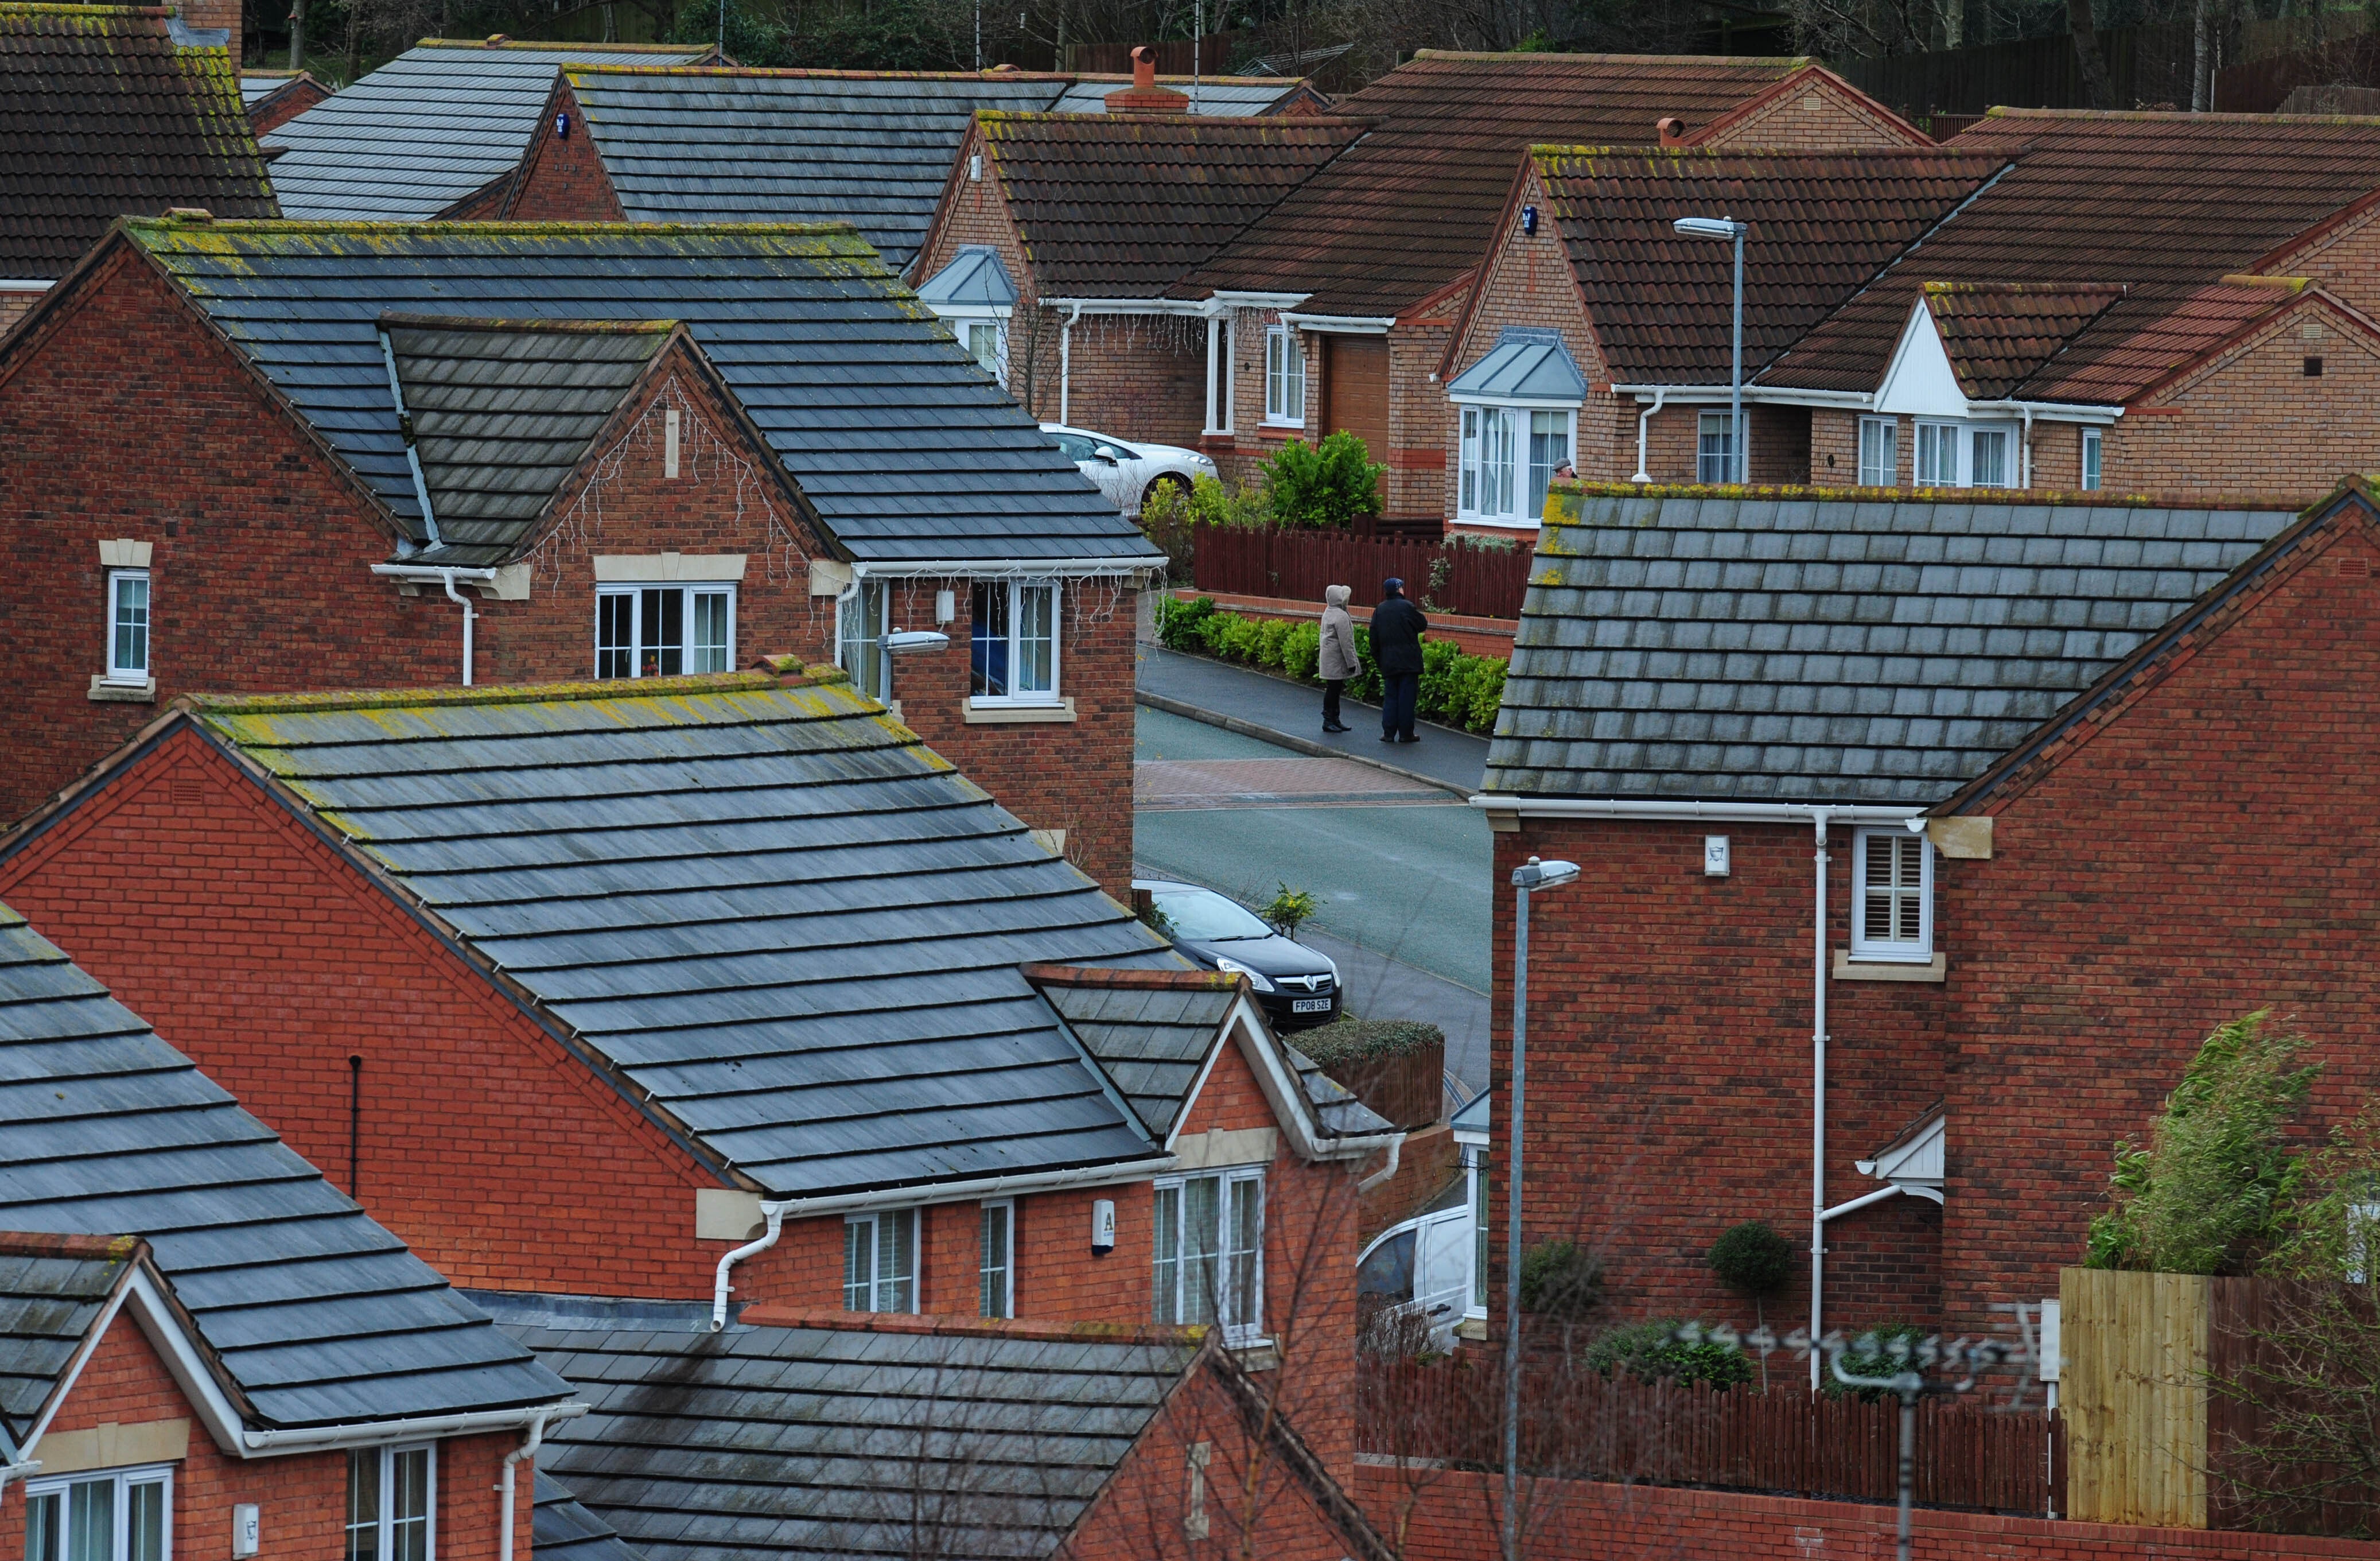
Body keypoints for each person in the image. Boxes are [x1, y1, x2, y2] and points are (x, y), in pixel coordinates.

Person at [1370, 576, 1427, 744]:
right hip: (1409, 662)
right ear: (1399, 589)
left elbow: (1373, 638)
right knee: (1407, 699)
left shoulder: (1380, 610)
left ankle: (1388, 733)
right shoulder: (1407, 606)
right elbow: (1422, 624)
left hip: (1389, 662)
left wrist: (1379, 660)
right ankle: (1406, 734)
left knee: (1391, 697)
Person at [1318, 584, 1357, 732]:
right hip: (1337, 660)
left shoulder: (1329, 611)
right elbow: (1346, 643)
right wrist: (1351, 663)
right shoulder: (1341, 615)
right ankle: (1330, 720)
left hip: (1329, 658)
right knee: (1334, 690)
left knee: (1333, 689)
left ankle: (1333, 719)